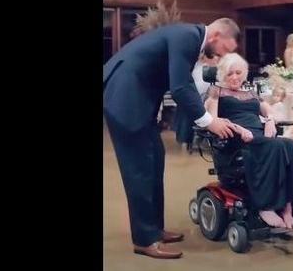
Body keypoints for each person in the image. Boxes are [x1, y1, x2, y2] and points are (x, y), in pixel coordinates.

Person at [103, 18, 240, 259]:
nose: (220, 56)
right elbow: (180, 87)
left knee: (155, 159)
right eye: (224, 50)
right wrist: (210, 121)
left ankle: (155, 229)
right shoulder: (188, 37)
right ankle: (145, 240)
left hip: (137, 101)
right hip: (124, 99)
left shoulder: (189, 36)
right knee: (141, 169)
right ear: (216, 36)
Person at [205, 53, 293, 229]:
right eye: (230, 73)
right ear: (223, 74)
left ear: (244, 73)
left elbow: (267, 109)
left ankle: (288, 207)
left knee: (291, 146)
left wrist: (269, 121)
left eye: (238, 72)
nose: (235, 77)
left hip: (260, 134)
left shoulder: (250, 92)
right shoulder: (216, 91)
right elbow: (213, 120)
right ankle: (265, 206)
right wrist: (238, 129)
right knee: (274, 145)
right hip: (236, 139)